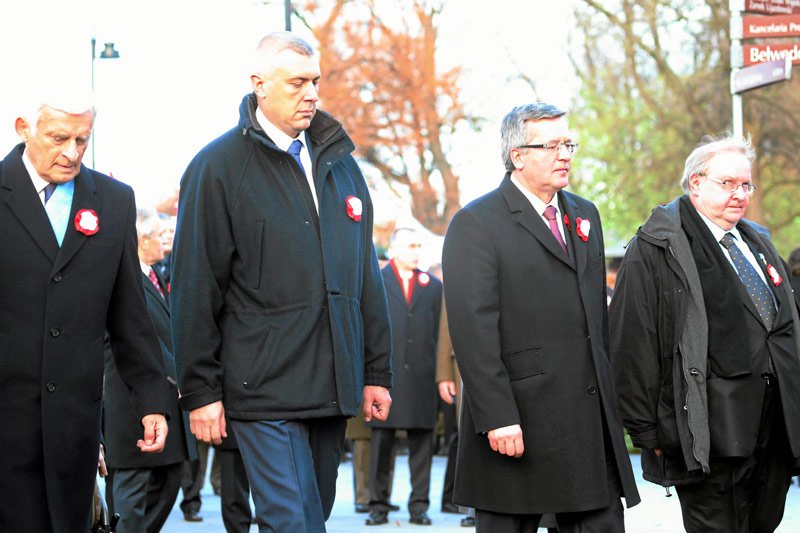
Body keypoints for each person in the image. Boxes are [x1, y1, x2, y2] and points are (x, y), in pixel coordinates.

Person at [170, 31, 393, 532]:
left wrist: (377, 371)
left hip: (334, 386)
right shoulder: (217, 168)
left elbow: (366, 281)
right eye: (296, 82)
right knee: (293, 524)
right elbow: (193, 289)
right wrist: (200, 391)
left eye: (315, 81)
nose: (311, 92)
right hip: (263, 388)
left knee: (309, 520)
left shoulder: (343, 169)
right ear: (259, 85)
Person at [442, 102, 640, 532]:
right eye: (551, 145)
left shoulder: (584, 214)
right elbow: (473, 331)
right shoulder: (475, 223)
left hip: (587, 419)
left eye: (568, 143)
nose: (565, 153)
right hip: (519, 422)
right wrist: (496, 416)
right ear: (518, 155)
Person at [609, 134, 800, 532]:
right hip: (703, 431)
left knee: (764, 521)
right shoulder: (655, 248)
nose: (739, 194)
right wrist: (646, 429)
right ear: (696, 183)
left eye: (745, 185)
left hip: (772, 426)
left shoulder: (758, 241)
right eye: (727, 183)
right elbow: (632, 341)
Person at [0, 92, 171, 531]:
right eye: (59, 138)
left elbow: (130, 316)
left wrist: (151, 400)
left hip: (74, 427)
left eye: (82, 139)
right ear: (23, 128)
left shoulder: (113, 202)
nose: (72, 152)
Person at [103, 207, 197, 533]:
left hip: (164, 400)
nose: (163, 242)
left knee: (168, 482)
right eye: (158, 236)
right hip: (130, 406)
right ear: (142, 240)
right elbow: (142, 342)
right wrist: (184, 378)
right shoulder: (121, 278)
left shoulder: (154, 277)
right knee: (130, 499)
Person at [366, 228, 442, 526]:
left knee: (422, 444)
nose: (416, 251)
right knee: (382, 443)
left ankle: (419, 507)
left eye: (419, 246)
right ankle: (378, 505)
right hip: (386, 376)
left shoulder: (433, 287)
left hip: (422, 377)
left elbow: (440, 333)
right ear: (394, 249)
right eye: (411, 246)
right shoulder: (377, 282)